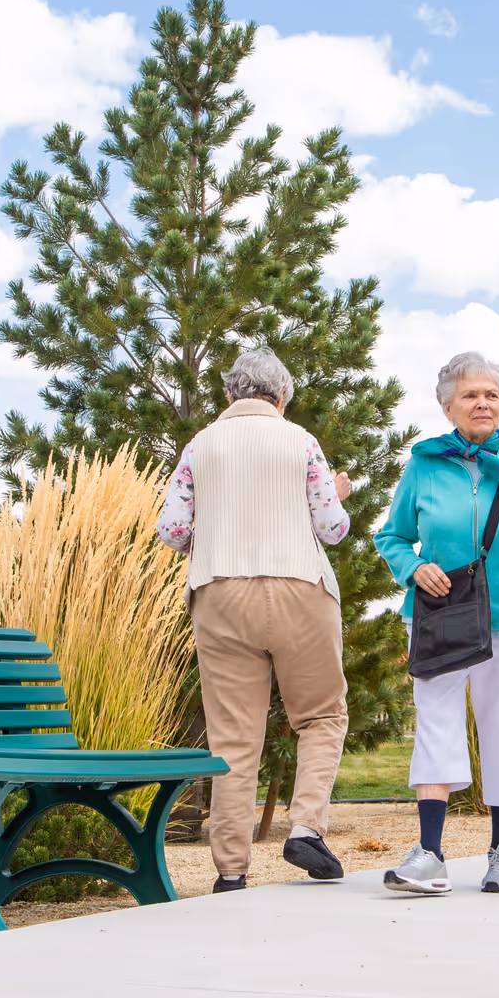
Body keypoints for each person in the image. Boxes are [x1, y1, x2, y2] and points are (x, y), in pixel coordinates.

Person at [373, 351, 499, 896]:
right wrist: (413, 567)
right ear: (448, 406)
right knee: (436, 723)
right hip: (440, 614)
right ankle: (430, 854)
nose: (482, 403)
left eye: (491, 394)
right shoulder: (422, 465)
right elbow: (391, 537)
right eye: (470, 394)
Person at [155, 349, 354, 894]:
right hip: (299, 589)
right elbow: (333, 529)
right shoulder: (301, 442)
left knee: (234, 738)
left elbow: (171, 531)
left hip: (219, 592)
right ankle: (308, 827)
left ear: (228, 396)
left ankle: (231, 871)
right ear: (281, 397)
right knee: (320, 716)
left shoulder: (200, 446)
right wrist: (339, 493)